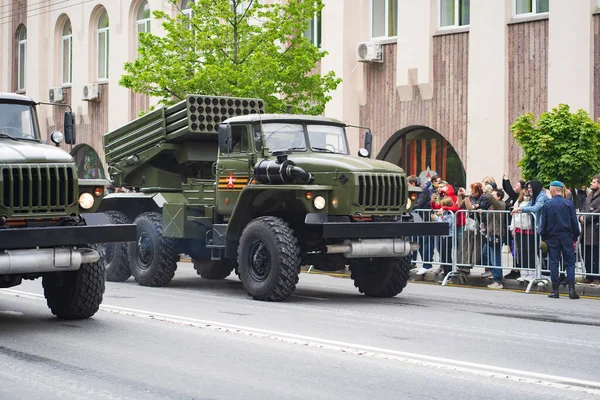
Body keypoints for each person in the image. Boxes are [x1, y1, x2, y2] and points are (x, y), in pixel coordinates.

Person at [540, 181, 581, 299]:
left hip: (552, 237)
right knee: (569, 263)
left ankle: (555, 291)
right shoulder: (568, 203)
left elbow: (544, 223)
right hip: (566, 236)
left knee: (554, 262)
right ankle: (572, 290)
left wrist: (544, 236)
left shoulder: (548, 204)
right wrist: (575, 235)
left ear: (553, 190)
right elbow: (574, 221)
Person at [480, 187, 506, 289]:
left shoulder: (500, 205)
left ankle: (498, 280)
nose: (491, 197)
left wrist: (487, 191)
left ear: (499, 197)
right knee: (485, 254)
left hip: (497, 234)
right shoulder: (492, 206)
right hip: (490, 233)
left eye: (494, 195)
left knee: (496, 258)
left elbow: (490, 198)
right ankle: (494, 272)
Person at [579, 175, 600, 286]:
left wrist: (585, 217)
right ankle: (589, 275)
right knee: (585, 254)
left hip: (595, 231)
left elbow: (597, 211)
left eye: (594, 182)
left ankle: (597, 277)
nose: (591, 183)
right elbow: (583, 208)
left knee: (595, 255)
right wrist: (580, 216)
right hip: (585, 231)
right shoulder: (589, 195)